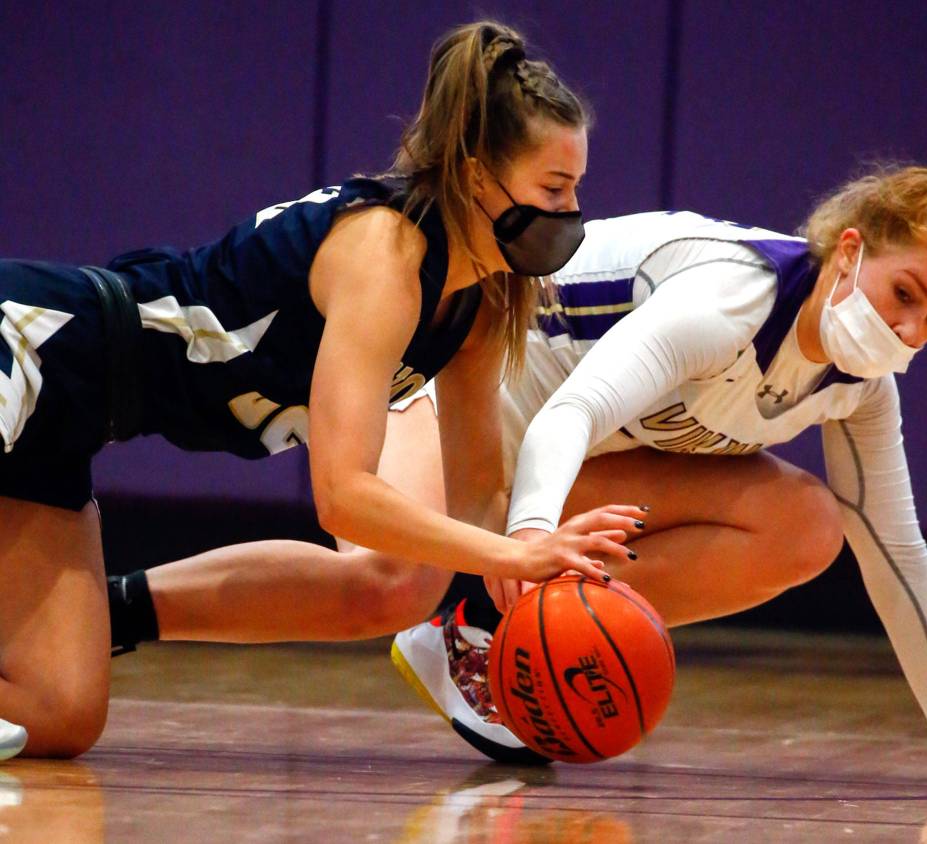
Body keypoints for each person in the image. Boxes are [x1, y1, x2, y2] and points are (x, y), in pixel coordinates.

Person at [111, 137, 927, 781]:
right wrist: (523, 548)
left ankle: (481, 634)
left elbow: (897, 555)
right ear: (850, 250)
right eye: (904, 294)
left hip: (558, 451)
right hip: (461, 388)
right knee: (385, 584)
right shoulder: (730, 300)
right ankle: (115, 608)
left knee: (808, 525)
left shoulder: (861, 385)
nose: (907, 329)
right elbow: (570, 415)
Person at [0, 20, 643, 760]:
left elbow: (477, 495)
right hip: (35, 342)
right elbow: (345, 496)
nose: (570, 215)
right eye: (553, 189)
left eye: (577, 191)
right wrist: (511, 558)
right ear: (475, 177)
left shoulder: (479, 301)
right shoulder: (386, 255)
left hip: (67, 429)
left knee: (61, 712)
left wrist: (537, 558)